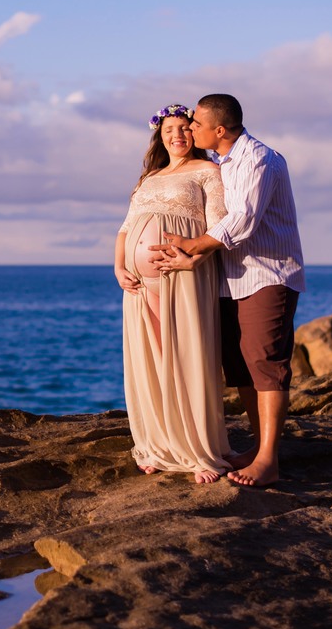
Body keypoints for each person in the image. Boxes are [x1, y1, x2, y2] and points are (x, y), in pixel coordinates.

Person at [153, 93, 305, 488]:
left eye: (196, 125)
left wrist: (193, 247)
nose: (190, 129)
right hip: (229, 280)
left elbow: (242, 221)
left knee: (266, 365)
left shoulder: (259, 159)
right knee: (240, 368)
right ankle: (257, 447)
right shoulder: (219, 162)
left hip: (266, 276)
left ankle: (269, 460)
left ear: (219, 130)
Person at [115, 103, 232, 484]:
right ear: (160, 136)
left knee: (185, 357)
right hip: (138, 285)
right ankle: (158, 446)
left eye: (184, 128)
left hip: (184, 274)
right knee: (151, 361)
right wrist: (119, 267)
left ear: (194, 133)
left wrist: (192, 260)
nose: (177, 135)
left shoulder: (208, 172)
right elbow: (125, 228)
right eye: (169, 130)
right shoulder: (149, 178)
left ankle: (198, 451)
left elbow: (217, 227)